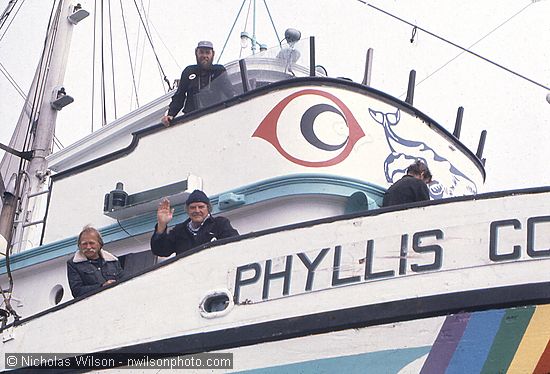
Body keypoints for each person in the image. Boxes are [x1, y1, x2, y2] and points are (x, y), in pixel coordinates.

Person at [161, 41, 235, 126]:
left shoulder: (219, 71)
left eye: (207, 53)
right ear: (196, 53)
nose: (204, 56)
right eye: (201, 52)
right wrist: (170, 114)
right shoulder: (188, 71)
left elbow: (230, 93)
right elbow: (179, 96)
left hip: (215, 118)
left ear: (213, 54)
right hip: (192, 120)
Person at [151, 189, 239, 257]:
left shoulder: (220, 224)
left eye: (201, 207)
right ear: (187, 210)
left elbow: (234, 245)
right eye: (192, 207)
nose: (197, 211)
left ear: (208, 208)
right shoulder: (179, 230)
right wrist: (162, 224)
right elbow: (160, 250)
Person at [67, 226, 124, 298]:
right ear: (79, 246)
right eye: (84, 244)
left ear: (100, 244)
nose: (88, 247)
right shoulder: (74, 264)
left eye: (91, 243)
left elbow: (124, 281)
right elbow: (77, 291)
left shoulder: (112, 260)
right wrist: (101, 287)